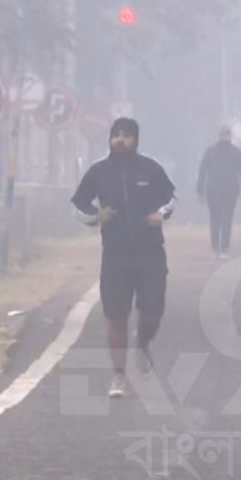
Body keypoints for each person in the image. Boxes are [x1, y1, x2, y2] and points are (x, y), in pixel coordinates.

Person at [71, 117, 176, 398]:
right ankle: (119, 376)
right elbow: (78, 202)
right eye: (116, 135)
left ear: (136, 139)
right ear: (110, 139)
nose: (121, 140)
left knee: (153, 312)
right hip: (116, 254)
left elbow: (171, 196)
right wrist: (95, 217)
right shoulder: (99, 172)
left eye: (127, 135)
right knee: (116, 316)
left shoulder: (150, 169)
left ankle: (142, 342)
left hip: (150, 252)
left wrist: (161, 214)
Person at [196, 124, 241, 260]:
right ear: (220, 135)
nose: (226, 137)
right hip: (214, 191)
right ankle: (215, 248)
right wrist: (200, 191)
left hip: (229, 192)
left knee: (226, 220)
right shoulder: (213, 152)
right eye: (225, 134)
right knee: (215, 219)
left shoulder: (233, 152)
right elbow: (202, 171)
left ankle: (224, 248)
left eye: (228, 134)